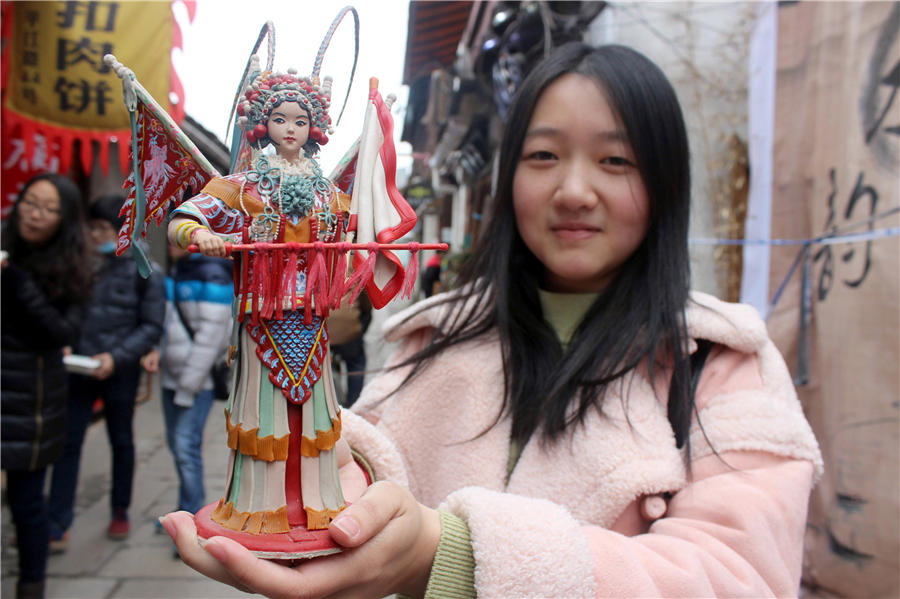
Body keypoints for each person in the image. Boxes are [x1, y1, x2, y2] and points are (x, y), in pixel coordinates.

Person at [161, 42, 822, 598]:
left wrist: (446, 554)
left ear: (665, 181)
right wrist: (337, 501)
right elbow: (365, 451)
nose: (573, 190)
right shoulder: (435, 334)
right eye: (543, 155)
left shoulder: (724, 361)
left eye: (614, 159)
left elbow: (738, 575)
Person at [165, 66, 363, 546]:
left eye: (300, 120)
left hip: (313, 319)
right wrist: (206, 236)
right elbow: (181, 220)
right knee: (264, 413)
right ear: (263, 125)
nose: (290, 128)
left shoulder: (329, 192)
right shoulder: (242, 186)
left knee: (314, 414)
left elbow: (358, 226)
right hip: (261, 316)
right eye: (280, 118)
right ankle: (261, 506)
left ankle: (317, 503)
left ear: (313, 127)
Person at [47, 194, 165, 546]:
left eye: (101, 229)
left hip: (119, 370)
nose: (95, 236)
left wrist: (116, 358)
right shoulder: (77, 264)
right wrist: (65, 342)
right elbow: (64, 311)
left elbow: (151, 325)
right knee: (67, 444)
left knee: (122, 441)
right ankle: (58, 521)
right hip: (78, 368)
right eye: (92, 228)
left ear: (120, 230)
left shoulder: (145, 269)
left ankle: (120, 510)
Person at [1, 173, 93, 599]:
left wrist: (16, 281)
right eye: (29, 203)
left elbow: (59, 332)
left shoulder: (71, 268)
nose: (34, 215)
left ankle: (30, 586)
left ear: (65, 219)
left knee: (26, 505)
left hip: (32, 401)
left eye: (48, 208)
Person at [141, 243, 233, 520]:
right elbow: (168, 320)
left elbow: (211, 338)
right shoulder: (182, 267)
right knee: (178, 444)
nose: (168, 244)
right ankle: (185, 507)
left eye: (175, 238)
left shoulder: (212, 273)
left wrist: (188, 385)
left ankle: (191, 516)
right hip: (174, 375)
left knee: (185, 447)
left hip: (194, 382)